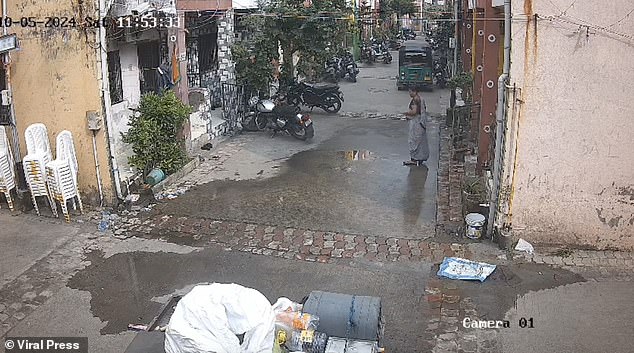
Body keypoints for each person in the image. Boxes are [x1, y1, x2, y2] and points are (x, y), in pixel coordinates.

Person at [403, 87, 429, 166]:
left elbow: (414, 112)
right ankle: (419, 158)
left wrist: (406, 113)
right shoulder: (421, 98)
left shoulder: (415, 100)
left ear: (415, 92)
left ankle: (414, 159)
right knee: (420, 141)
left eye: (410, 92)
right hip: (420, 122)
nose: (409, 94)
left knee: (414, 141)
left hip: (416, 123)